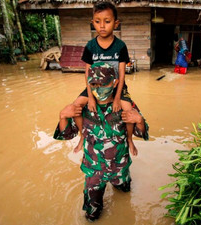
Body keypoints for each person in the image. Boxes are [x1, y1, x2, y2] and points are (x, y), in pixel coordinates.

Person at [54, 62, 149, 221]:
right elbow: (67, 134)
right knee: (92, 213)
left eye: (102, 84)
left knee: (125, 194)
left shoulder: (125, 105)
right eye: (93, 84)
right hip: (94, 169)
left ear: (114, 82)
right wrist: (62, 116)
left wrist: (139, 120)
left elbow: (141, 131)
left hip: (120, 166)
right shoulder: (82, 107)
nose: (98, 88)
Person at [72, 1, 139, 156]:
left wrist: (116, 98)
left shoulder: (120, 46)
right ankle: (82, 136)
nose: (102, 26)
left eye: (107, 22)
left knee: (128, 108)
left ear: (116, 24)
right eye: (97, 22)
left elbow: (122, 74)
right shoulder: (90, 46)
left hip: (116, 86)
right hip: (95, 86)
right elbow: (87, 73)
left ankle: (129, 139)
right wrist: (90, 97)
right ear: (92, 23)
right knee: (76, 105)